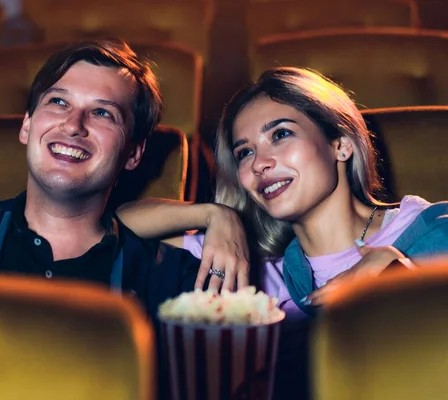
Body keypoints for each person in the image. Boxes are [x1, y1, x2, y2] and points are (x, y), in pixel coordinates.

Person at [0, 41, 205, 395]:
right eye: (58, 102)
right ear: (27, 125)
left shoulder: (172, 283)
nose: (73, 125)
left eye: (103, 113)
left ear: (133, 153)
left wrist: (222, 218)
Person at [117, 67, 448, 399]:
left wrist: (398, 277)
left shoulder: (432, 228)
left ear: (341, 145)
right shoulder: (259, 264)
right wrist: (214, 215)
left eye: (280, 134)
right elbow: (111, 228)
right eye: (244, 152)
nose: (259, 163)